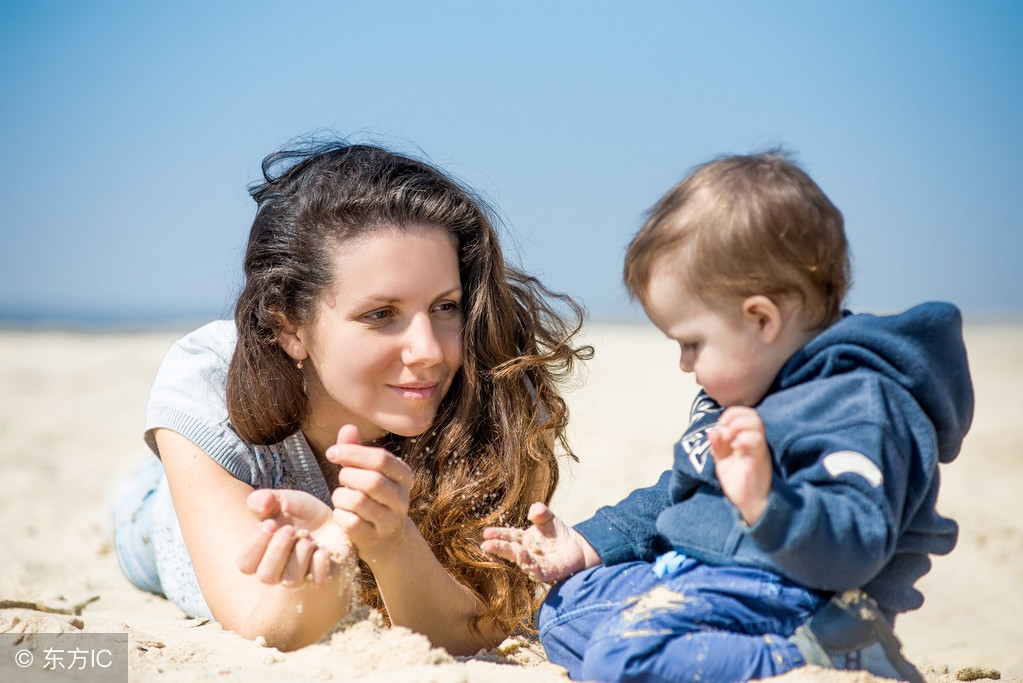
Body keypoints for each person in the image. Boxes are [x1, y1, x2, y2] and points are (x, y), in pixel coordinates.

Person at [482, 151, 973, 682]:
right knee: (563, 610)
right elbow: (684, 493)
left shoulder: (857, 403)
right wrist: (590, 543)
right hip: (704, 576)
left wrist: (769, 503)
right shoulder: (746, 388)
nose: (684, 362)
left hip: (798, 600)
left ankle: (821, 660)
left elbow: (857, 543)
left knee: (623, 657)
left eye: (693, 342)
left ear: (761, 319)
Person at [113, 139, 593, 654]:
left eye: (445, 306)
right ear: (288, 324)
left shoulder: (497, 385)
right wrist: (333, 561)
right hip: (156, 515)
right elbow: (264, 625)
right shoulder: (208, 381)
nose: (429, 351)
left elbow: (481, 625)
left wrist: (392, 543)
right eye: (380, 315)